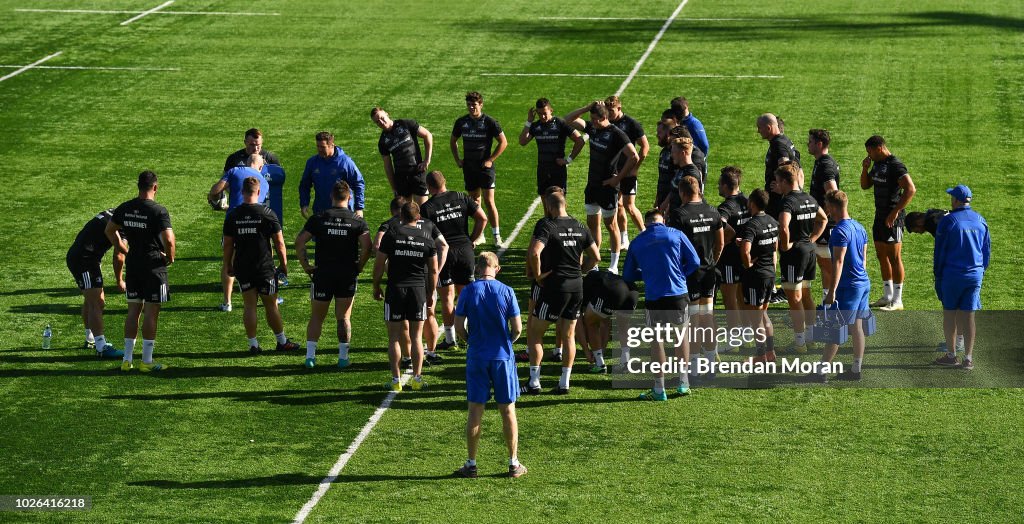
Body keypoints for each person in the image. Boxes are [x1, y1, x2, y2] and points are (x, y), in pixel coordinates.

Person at [452, 252, 526, 479]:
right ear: (497, 268)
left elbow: (458, 326)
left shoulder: (468, 291)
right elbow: (518, 328)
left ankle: (472, 464)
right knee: (508, 410)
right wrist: (507, 342)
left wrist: (470, 341)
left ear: (477, 268)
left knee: (475, 410)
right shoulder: (507, 291)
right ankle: (513, 464)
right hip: (502, 357)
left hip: (477, 355)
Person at [525, 191, 600, 395]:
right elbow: (596, 256)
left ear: (549, 207)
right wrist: (581, 271)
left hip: (555, 287)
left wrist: (539, 275)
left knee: (534, 332)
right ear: (564, 204)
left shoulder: (547, 225)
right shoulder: (580, 225)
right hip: (577, 287)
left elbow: (534, 252)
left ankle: (534, 382)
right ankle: (564, 382)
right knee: (568, 336)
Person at [623, 209, 700, 400]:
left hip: (654, 297)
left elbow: (628, 275)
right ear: (662, 220)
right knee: (681, 336)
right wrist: (681, 274)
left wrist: (648, 274)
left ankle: (659, 389)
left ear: (646, 223)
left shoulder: (637, 242)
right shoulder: (676, 234)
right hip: (678, 294)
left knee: (656, 341)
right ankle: (683, 383)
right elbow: (695, 262)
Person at [295, 181, 371, 369]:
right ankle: (343, 358)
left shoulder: (319, 217)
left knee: (316, 317)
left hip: (323, 273)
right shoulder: (357, 221)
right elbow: (367, 246)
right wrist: (359, 266)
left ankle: (310, 357)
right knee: (344, 317)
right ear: (350, 197)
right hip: (346, 274)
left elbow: (299, 242)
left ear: (331, 197)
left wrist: (306, 266)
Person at [105, 170, 175, 372]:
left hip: (133, 264)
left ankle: (127, 360)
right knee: (151, 313)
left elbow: (109, 230)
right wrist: (170, 257)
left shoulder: (125, 207)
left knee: (133, 311)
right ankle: (146, 361)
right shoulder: (158, 211)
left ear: (138, 186)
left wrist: (121, 248)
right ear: (155, 187)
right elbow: (169, 239)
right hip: (154, 266)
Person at [222, 177, 299, 354]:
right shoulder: (267, 213)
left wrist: (228, 264)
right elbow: (279, 243)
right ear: (258, 192)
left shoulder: (233, 215)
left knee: (249, 306)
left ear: (242, 192)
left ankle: (253, 345)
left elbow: (228, 244)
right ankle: (282, 341)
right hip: (264, 267)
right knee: (271, 305)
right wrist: (284, 265)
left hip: (243, 266)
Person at [565, 101, 638, 274]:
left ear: (604, 117)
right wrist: (586, 108)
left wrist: (618, 179)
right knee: (592, 224)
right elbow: (567, 119)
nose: (592, 122)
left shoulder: (616, 134)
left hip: (608, 187)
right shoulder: (592, 128)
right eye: (591, 118)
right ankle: (595, 262)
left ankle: (613, 265)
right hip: (592, 185)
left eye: (595, 119)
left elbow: (633, 156)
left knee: (610, 225)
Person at [375, 196, 449, 366]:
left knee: (402, 325)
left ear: (399, 213)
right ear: (418, 215)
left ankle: (407, 358)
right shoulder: (428, 225)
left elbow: (377, 246)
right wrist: (437, 270)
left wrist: (384, 274)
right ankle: (431, 352)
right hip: (424, 280)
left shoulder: (392, 226)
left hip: (399, 281)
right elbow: (443, 245)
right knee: (428, 317)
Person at [420, 170, 487, 354]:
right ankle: (471, 336)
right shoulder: (461, 197)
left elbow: (426, 234)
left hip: (444, 254)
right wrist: (471, 239)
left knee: (447, 298)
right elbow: (483, 218)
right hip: (465, 252)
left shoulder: (427, 207)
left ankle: (450, 339)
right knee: (467, 297)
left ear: (429, 187)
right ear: (445, 181)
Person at [812, 190, 871, 382]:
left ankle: (821, 372)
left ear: (832, 207)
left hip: (849, 286)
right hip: (863, 283)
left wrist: (832, 291)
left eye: (827, 206)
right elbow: (863, 260)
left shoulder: (838, 232)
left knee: (837, 328)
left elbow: (837, 262)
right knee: (857, 326)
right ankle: (856, 369)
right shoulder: (859, 227)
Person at [668, 175, 724, 373]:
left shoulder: (678, 215)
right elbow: (721, 243)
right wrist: (713, 262)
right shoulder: (713, 211)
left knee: (692, 320)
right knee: (707, 316)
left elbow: (673, 247)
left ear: (682, 193)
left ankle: (693, 363)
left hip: (689, 275)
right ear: (699, 190)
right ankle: (710, 360)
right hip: (709, 271)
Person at [933, 185, 990, 370]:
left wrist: (938, 275)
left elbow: (939, 253)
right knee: (969, 315)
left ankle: (951, 356)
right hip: (975, 275)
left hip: (952, 275)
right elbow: (986, 252)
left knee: (950, 314)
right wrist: (980, 271)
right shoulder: (981, 221)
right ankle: (968, 358)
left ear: (956, 200)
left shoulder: (948, 222)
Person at [776, 163, 828, 353]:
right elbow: (823, 219)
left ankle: (799, 344)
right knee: (806, 296)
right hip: (809, 251)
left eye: (778, 182)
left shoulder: (787, 202)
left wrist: (785, 245)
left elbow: (783, 226)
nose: (777, 185)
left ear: (784, 181)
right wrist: (812, 238)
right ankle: (811, 338)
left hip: (794, 255)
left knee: (794, 299)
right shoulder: (809, 198)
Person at [860, 135, 916, 311]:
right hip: (880, 216)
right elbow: (865, 185)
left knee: (894, 257)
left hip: (893, 218)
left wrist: (895, 212)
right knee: (881, 255)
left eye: (870, 151)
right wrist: (865, 168)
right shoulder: (877, 164)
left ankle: (898, 300)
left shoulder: (895, 165)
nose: (868, 155)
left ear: (879, 148)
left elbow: (910, 189)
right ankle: (888, 295)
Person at [209, 153, 270, 312]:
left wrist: (216, 201)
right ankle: (265, 297)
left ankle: (227, 302)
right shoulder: (264, 182)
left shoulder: (235, 171)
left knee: (229, 261)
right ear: (261, 167)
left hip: (234, 223)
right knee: (257, 261)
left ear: (246, 162)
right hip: (257, 225)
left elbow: (215, 191)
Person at [451, 91, 507, 246]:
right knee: (474, 202)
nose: (471, 108)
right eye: (468, 105)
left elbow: (503, 142)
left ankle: (496, 235)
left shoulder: (489, 122)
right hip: (469, 168)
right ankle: (480, 235)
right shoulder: (461, 122)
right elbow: (453, 141)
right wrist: (458, 160)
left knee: (489, 201)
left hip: (485, 168)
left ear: (481, 104)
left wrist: (490, 159)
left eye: (474, 105)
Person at [66, 208, 125, 358]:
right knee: (97, 303)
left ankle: (90, 338)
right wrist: (119, 280)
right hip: (85, 260)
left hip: (83, 257)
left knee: (90, 300)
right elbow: (119, 255)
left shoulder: (112, 213)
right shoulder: (123, 223)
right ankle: (101, 347)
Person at [737, 189, 779, 363]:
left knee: (756, 318)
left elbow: (746, 251)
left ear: (752, 203)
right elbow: (774, 246)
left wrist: (748, 264)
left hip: (756, 277)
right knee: (764, 315)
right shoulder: (772, 221)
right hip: (770, 273)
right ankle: (770, 352)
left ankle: (760, 355)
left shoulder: (751, 225)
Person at [605, 95, 650, 248]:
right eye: (607, 111)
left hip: (628, 171)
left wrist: (635, 168)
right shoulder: (607, 123)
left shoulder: (631, 124)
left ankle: (646, 234)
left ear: (619, 108)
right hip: (613, 171)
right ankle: (624, 239)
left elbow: (645, 147)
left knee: (629, 206)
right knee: (618, 205)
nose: (609, 114)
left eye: (611, 110)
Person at [518, 98, 585, 196]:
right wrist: (529, 121)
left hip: (557, 170)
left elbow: (580, 140)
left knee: (559, 204)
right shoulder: (535, 126)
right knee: (546, 206)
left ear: (551, 110)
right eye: (540, 114)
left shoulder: (561, 123)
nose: (543, 116)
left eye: (545, 113)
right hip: (542, 170)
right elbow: (522, 141)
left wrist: (568, 160)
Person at [578, 268, 638, 373]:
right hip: (632, 291)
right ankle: (625, 362)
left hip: (612, 290)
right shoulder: (594, 280)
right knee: (622, 326)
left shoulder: (581, 289)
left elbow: (578, 324)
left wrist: (586, 351)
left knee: (591, 323)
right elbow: (605, 322)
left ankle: (599, 363)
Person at [716, 167, 750, 348]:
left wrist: (728, 238)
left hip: (729, 258)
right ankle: (746, 336)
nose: (717, 187)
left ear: (726, 185)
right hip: (745, 256)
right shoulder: (746, 200)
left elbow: (721, 224)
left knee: (730, 300)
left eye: (719, 184)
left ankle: (734, 340)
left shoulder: (725, 207)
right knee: (742, 297)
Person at [372, 107, 434, 205]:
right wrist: (393, 188)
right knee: (406, 215)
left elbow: (428, 135)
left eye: (381, 118)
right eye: (377, 122)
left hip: (417, 172)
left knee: (423, 211)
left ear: (387, 114)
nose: (381, 122)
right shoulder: (382, 142)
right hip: (401, 178)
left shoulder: (406, 124)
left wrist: (427, 160)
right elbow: (388, 166)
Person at [807, 129, 840, 301]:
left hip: (826, 226)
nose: (808, 144)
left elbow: (833, 194)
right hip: (825, 223)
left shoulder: (826, 166)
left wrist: (823, 218)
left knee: (827, 266)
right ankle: (827, 299)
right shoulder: (822, 162)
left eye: (810, 142)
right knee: (824, 264)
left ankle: (829, 302)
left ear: (819, 144)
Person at [300, 131, 366, 218]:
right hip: (321, 211)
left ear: (332, 145)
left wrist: (359, 208)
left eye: (323, 147)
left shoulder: (345, 162)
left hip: (343, 212)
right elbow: (305, 184)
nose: (319, 150)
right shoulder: (312, 162)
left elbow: (358, 183)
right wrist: (304, 204)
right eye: (318, 146)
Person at [655, 111, 706, 210]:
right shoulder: (666, 152)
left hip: (681, 207)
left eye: (673, 140)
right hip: (669, 203)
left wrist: (667, 204)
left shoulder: (694, 160)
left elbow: (693, 189)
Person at [757, 113, 801, 220]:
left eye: (759, 128)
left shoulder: (778, 145)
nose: (758, 131)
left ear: (768, 127)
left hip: (777, 200)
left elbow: (786, 168)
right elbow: (799, 169)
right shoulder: (785, 140)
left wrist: (781, 188)